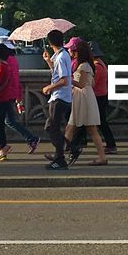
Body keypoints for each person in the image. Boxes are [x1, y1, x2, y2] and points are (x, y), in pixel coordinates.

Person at [69, 41, 119, 159]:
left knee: (96, 124)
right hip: (97, 96)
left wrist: (69, 79)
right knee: (93, 124)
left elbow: (88, 83)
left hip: (96, 97)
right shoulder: (98, 64)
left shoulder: (94, 66)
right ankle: (75, 145)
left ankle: (74, 145)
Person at [64, 38, 108, 166]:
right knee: (77, 127)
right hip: (85, 96)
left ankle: (60, 154)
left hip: (82, 96)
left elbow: (82, 84)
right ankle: (101, 157)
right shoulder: (88, 65)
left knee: (79, 127)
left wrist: (68, 79)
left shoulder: (83, 66)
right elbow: (91, 83)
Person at [41, 29, 73, 170]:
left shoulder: (60, 57)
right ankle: (67, 149)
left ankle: (60, 158)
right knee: (52, 126)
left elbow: (64, 80)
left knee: (52, 128)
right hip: (62, 97)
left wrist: (49, 87)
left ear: (50, 42)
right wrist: (49, 61)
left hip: (59, 96)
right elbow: (58, 72)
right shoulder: (62, 55)